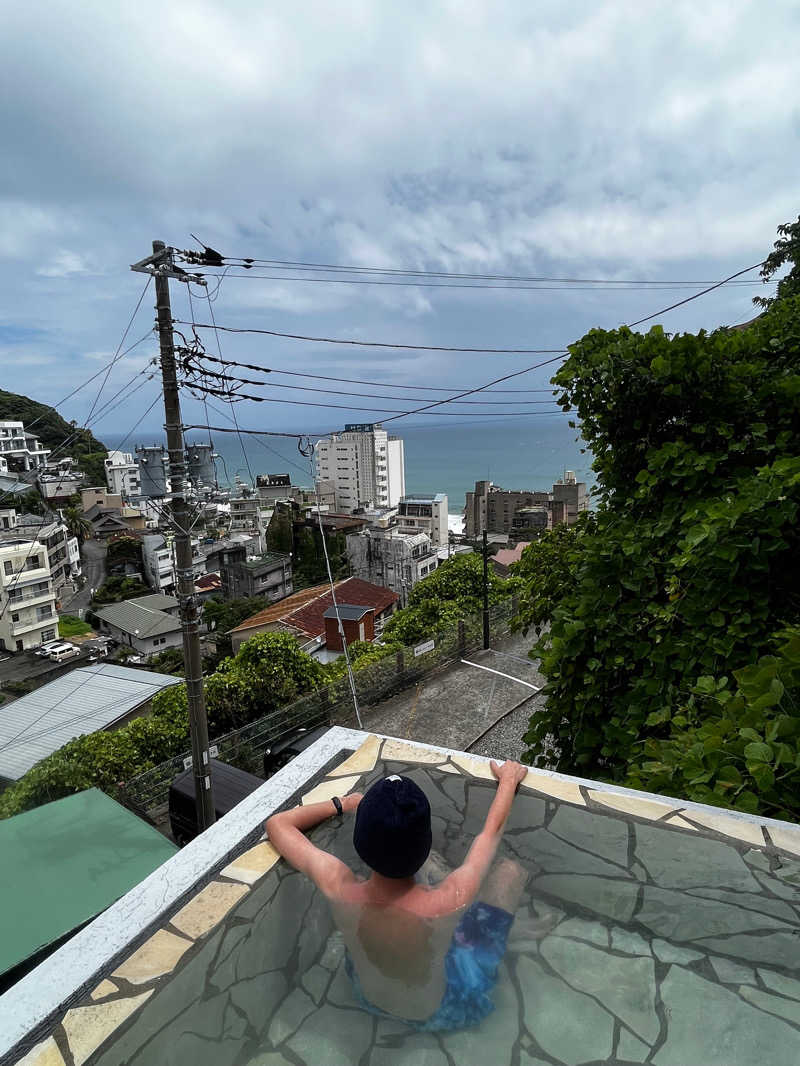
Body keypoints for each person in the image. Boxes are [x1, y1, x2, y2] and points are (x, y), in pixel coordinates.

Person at [265, 758, 528, 1031]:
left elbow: (278, 825)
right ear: (425, 842)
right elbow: (490, 834)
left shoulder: (338, 886)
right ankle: (427, 867)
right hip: (442, 1010)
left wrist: (344, 804)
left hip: (367, 997)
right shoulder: (451, 898)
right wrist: (508, 781)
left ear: (360, 843)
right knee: (510, 873)